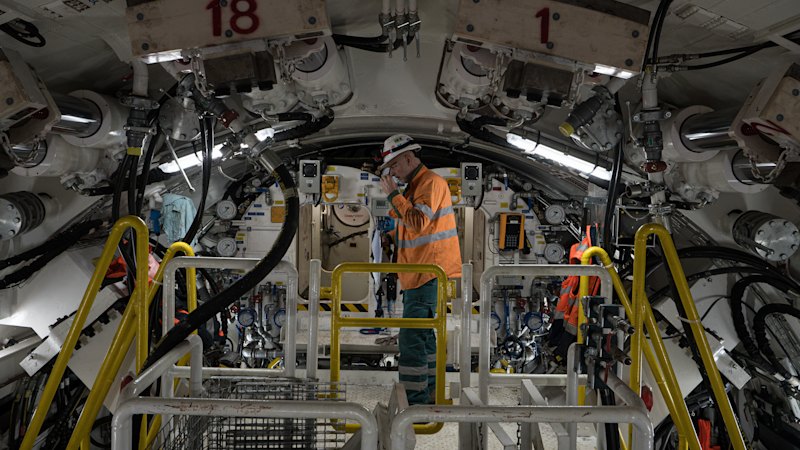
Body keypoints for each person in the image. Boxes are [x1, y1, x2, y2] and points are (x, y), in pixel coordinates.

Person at [377, 134, 462, 404]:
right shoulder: (415, 187)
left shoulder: (430, 183)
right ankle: (430, 394)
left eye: (395, 166)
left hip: (428, 274)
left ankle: (414, 400)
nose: (394, 173)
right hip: (419, 275)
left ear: (409, 158)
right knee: (424, 338)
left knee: (411, 339)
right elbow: (411, 227)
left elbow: (417, 223)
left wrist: (392, 194)